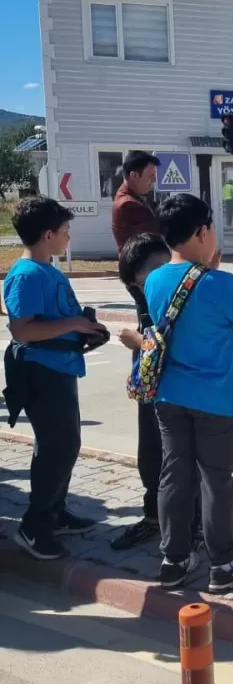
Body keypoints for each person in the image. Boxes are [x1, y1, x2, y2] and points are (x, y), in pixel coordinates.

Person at [144, 193, 233, 594]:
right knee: (216, 480)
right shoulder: (223, 284)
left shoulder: (155, 280)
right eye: (211, 226)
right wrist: (211, 274)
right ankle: (225, 564)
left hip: (169, 398)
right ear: (201, 232)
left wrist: (204, 271)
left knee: (174, 474)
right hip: (218, 401)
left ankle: (174, 559)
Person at [2, 197, 106, 559]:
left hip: (59, 368)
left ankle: (55, 511)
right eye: (65, 232)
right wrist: (75, 324)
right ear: (48, 235)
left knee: (65, 444)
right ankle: (34, 526)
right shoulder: (27, 274)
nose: (68, 238)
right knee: (56, 448)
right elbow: (22, 330)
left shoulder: (47, 270)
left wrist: (83, 328)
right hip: (41, 371)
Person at [112, 233, 200, 553]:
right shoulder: (146, 293)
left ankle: (193, 525)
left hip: (180, 390)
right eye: (133, 286)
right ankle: (154, 516)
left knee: (181, 457)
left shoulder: (183, 290)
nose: (139, 291)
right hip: (151, 387)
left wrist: (139, 342)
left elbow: (181, 343)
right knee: (150, 452)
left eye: (141, 282)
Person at [111, 150, 160, 252]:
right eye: (151, 175)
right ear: (134, 176)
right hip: (142, 265)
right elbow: (158, 234)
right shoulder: (128, 204)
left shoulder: (138, 196)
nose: (154, 180)